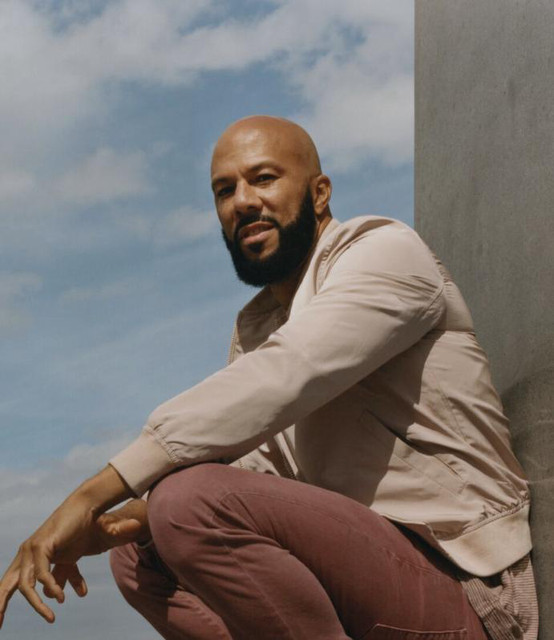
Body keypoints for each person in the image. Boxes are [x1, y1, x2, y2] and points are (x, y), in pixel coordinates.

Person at [0, 116, 538, 639]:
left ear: (320, 193)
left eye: (263, 178)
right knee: (139, 555)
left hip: (473, 586)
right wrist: (121, 525)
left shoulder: (385, 254)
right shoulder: (259, 330)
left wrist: (88, 496)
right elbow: (259, 470)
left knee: (189, 502)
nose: (242, 201)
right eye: (224, 190)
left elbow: (289, 372)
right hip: (365, 581)